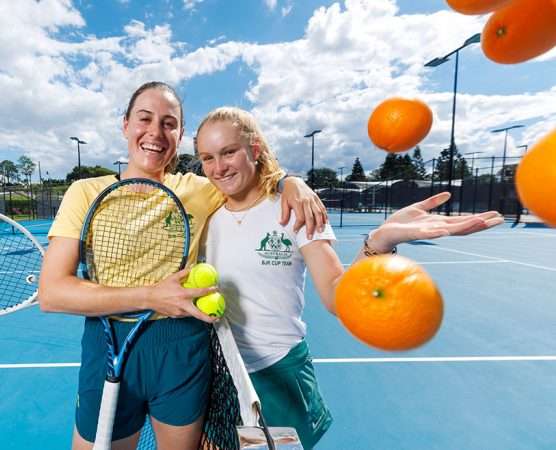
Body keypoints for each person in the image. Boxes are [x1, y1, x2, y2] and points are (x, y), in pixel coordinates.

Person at [37, 82, 327, 450]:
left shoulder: (200, 188)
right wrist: (151, 296)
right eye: (145, 119)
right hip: (109, 342)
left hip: (182, 346)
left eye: (169, 123)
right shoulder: (84, 192)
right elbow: (51, 293)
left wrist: (291, 180)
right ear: (126, 124)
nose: (155, 132)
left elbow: (251, 176)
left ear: (180, 134)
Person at [194, 106, 504, 449]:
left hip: (280, 373)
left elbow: (336, 296)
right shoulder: (206, 216)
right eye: (207, 157)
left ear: (253, 149)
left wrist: (380, 241)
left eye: (228, 152)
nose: (218, 167)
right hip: (221, 375)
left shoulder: (296, 208)